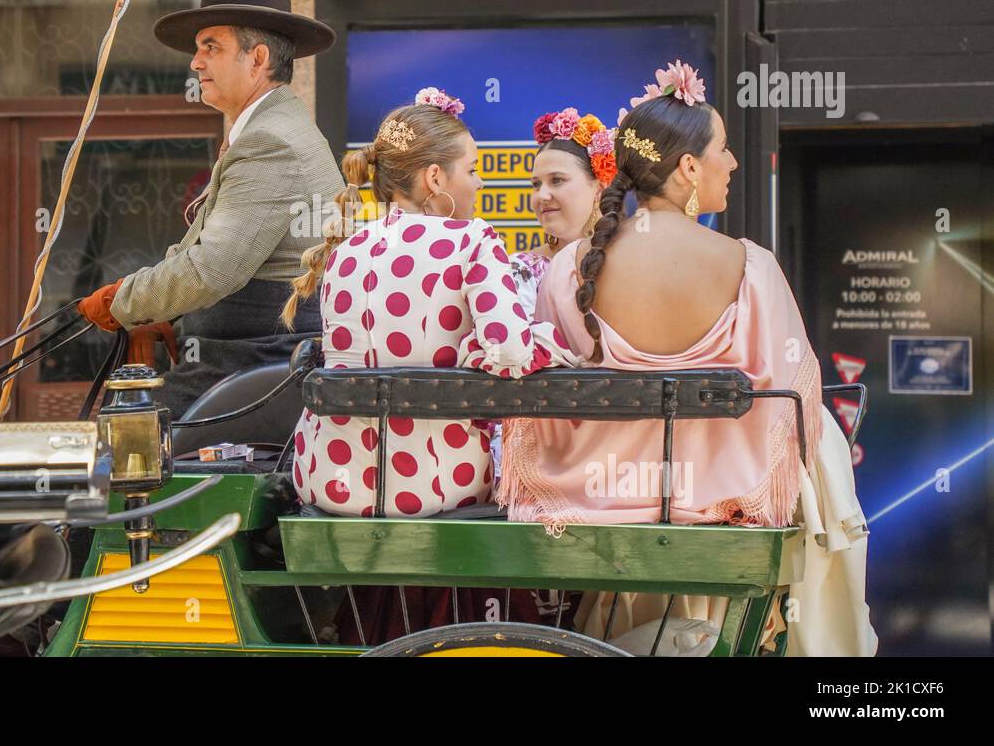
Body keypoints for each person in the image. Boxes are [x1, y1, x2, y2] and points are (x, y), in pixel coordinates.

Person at [499, 60, 876, 656]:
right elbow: (794, 407)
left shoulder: (568, 269)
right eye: (724, 148)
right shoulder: (750, 265)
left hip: (599, 515)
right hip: (721, 514)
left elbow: (547, 396)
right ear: (689, 167)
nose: (733, 162)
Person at [281, 91, 578, 518]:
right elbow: (509, 351)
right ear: (436, 179)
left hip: (326, 480)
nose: (480, 182)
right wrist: (525, 343)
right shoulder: (472, 241)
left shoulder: (345, 250)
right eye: (473, 170)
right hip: (434, 487)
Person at [75, 0, 344, 423]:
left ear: (257, 59)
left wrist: (122, 302)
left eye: (211, 47)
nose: (196, 63)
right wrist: (159, 306)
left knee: (125, 440)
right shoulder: (270, 129)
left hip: (261, 360)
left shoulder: (271, 141)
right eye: (198, 49)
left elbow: (212, 269)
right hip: (250, 355)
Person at [511, 108, 617, 319]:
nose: (541, 195)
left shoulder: (630, 260)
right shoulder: (520, 269)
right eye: (536, 184)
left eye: (557, 180)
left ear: (599, 187)